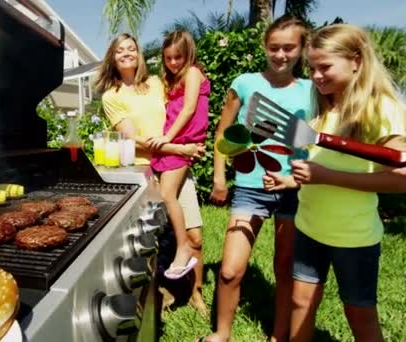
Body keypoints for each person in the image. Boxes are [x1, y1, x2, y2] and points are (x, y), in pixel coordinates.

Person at [263, 24, 406, 342]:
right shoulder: (324, 111)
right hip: (309, 228)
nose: (315, 76)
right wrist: (291, 179)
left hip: (353, 237)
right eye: (312, 68)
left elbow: (400, 180)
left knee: (360, 317)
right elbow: (321, 169)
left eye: (324, 67)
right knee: (300, 304)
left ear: (356, 60)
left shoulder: (382, 109)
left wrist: (326, 177)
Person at [206, 15, 312, 342]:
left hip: (295, 190)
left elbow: (316, 137)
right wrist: (220, 178)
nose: (280, 55)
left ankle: (278, 335)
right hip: (250, 190)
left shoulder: (312, 90)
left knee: (285, 270)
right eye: (274, 47)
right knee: (229, 271)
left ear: (303, 49)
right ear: (265, 46)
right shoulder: (244, 83)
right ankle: (222, 333)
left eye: (289, 48)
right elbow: (224, 132)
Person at [95, 33, 208, 313]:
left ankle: (196, 294)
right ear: (112, 56)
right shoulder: (112, 96)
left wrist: (186, 146)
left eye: (131, 48)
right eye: (120, 50)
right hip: (147, 170)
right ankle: (157, 294)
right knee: (153, 239)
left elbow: (187, 108)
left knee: (195, 236)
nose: (126, 53)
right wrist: (181, 149)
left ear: (139, 53)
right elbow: (134, 138)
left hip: (178, 163)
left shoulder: (156, 83)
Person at [147, 30, 209, 281]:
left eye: (178, 57)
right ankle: (181, 246)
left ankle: (183, 246)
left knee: (166, 194)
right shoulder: (171, 80)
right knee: (166, 196)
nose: (173, 63)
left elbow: (189, 109)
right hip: (177, 140)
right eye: (168, 58)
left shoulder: (193, 72)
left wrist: (167, 138)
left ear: (188, 54)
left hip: (184, 140)